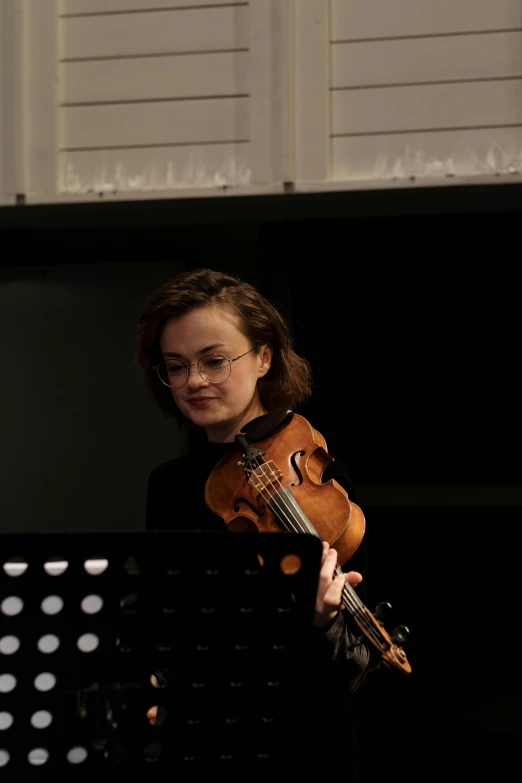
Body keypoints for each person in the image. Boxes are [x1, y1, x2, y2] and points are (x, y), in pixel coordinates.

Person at [135, 267, 392, 776]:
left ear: (264, 358)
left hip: (299, 741)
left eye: (214, 361)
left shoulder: (323, 477)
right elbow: (167, 620)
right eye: (177, 366)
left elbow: (352, 663)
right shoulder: (168, 485)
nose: (195, 381)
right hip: (203, 736)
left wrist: (319, 623)